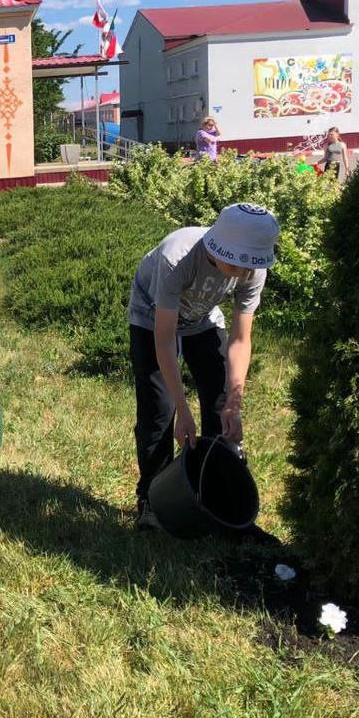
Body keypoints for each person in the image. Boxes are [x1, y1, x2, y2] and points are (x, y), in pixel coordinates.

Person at [126, 203, 280, 533]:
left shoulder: (253, 267)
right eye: (235, 262)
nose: (241, 271)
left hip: (202, 318)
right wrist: (183, 410)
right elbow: (165, 340)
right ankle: (151, 499)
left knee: (219, 397)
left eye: (247, 265)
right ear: (215, 247)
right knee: (160, 408)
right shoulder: (177, 256)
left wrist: (234, 405)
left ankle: (214, 492)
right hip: (151, 317)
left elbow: (240, 340)